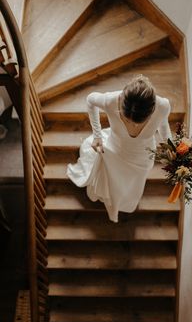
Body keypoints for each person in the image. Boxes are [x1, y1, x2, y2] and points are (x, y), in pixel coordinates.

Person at [67, 75, 172, 223]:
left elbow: (163, 128)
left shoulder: (163, 106)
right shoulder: (110, 100)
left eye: (137, 122)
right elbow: (90, 100)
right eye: (127, 119)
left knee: (133, 183)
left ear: (151, 111)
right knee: (114, 181)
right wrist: (97, 135)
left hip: (143, 156)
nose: (133, 125)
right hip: (115, 150)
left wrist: (172, 148)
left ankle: (127, 201)